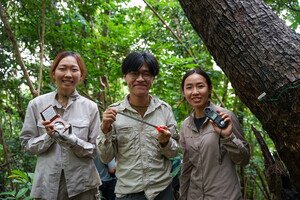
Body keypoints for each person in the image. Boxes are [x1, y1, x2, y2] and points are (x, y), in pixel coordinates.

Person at [97, 51, 179, 200]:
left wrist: (165, 142)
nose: (140, 79)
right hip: (128, 194)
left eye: (146, 74)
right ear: (125, 77)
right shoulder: (113, 113)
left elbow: (173, 153)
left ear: (153, 78)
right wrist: (105, 129)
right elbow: (105, 157)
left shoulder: (164, 110)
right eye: (134, 73)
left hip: (162, 192)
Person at [20, 51, 101, 199]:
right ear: (53, 73)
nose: (68, 74)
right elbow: (27, 144)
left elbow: (96, 150)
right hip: (46, 186)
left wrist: (73, 140)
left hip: (82, 187)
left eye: (74, 69)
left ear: (81, 76)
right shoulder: (36, 105)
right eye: (63, 68)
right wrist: (48, 137)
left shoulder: (90, 107)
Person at [179, 68, 250, 200]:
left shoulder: (225, 117)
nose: (195, 92)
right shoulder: (185, 126)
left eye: (200, 86)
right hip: (195, 196)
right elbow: (187, 167)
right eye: (189, 87)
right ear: (183, 92)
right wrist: (183, 196)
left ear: (209, 88)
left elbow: (243, 159)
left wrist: (228, 136)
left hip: (225, 195)